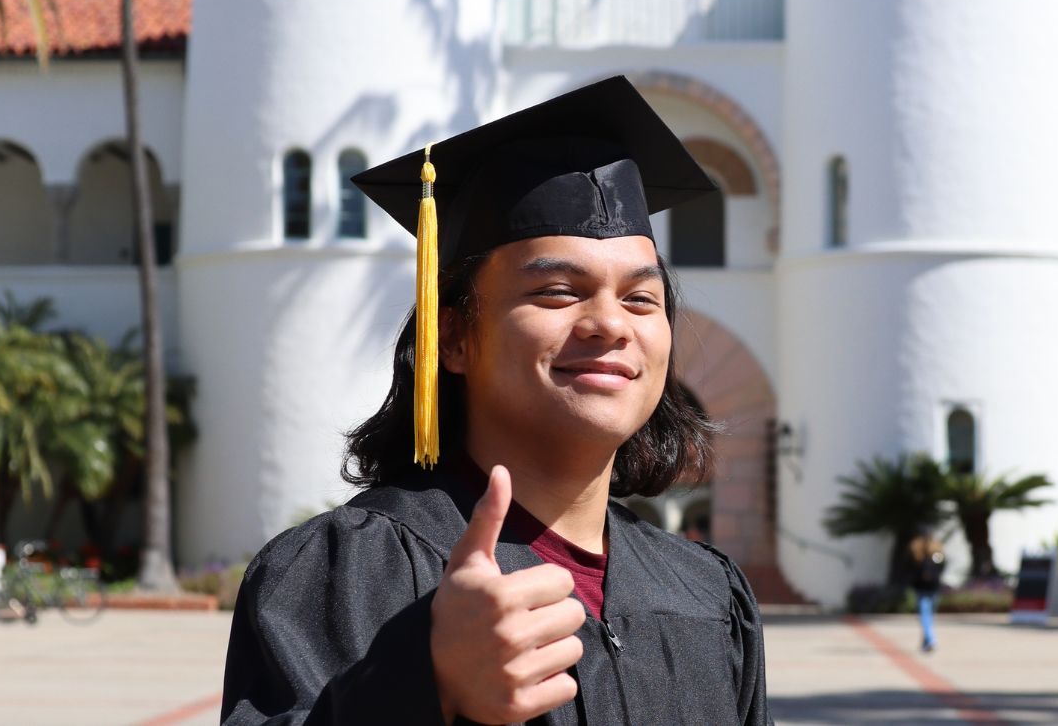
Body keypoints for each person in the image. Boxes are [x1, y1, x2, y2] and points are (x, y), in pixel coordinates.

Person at [220, 76, 771, 725]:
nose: (610, 324)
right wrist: (422, 684)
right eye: (558, 292)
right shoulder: (346, 573)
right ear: (451, 337)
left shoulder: (706, 592)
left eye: (640, 298)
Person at [909, 532, 945, 653]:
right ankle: (930, 639)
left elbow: (941, 565)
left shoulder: (935, 555)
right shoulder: (917, 555)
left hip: (931, 587)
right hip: (924, 588)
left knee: (928, 615)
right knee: (925, 614)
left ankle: (926, 642)